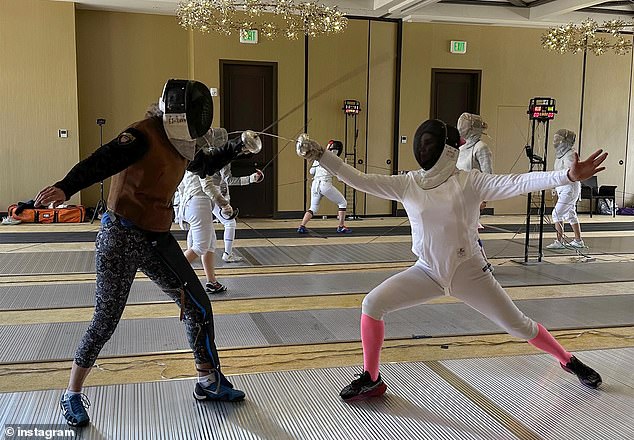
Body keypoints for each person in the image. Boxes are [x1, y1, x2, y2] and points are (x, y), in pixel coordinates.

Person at [296, 119, 606, 402]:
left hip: (470, 273)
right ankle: (372, 378)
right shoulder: (408, 183)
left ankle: (569, 361)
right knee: (372, 305)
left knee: (520, 327)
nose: (424, 149)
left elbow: (518, 181)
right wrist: (322, 155)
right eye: (421, 144)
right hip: (427, 272)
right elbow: (359, 179)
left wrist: (566, 175)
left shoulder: (469, 181)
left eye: (430, 144)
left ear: (446, 148)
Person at [35, 79, 255, 427]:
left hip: (157, 237)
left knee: (197, 304)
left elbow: (203, 166)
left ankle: (208, 381)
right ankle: (72, 393)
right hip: (120, 235)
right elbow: (102, 161)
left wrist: (238, 147)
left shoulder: (183, 143)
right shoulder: (142, 135)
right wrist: (66, 186)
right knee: (105, 320)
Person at [177, 168, 232, 293]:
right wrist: (224, 204)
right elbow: (207, 185)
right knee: (200, 246)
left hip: (198, 202)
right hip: (198, 201)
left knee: (210, 244)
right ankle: (172, 278)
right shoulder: (204, 158)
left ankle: (212, 282)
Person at [211, 164, 264, 263]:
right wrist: (250, 179)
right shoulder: (224, 158)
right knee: (230, 223)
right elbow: (227, 180)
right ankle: (227, 254)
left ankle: (190, 252)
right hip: (213, 193)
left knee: (197, 225)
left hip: (198, 193)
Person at [297, 140, 351, 234]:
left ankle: (302, 226)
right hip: (325, 185)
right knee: (342, 203)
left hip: (315, 185)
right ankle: (341, 226)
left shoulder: (319, 158)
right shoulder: (336, 161)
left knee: (313, 207)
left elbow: (311, 172)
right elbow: (339, 179)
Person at [547, 129, 585, 249]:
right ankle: (578, 240)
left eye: (558, 139)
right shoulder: (560, 155)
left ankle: (559, 241)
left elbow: (572, 173)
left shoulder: (570, 155)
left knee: (556, 214)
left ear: (566, 141)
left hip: (570, 188)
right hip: (563, 188)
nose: (555, 142)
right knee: (570, 214)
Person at [457, 112, 493, 214]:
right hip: (458, 194)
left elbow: (487, 175)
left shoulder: (481, 147)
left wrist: (484, 199)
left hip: (473, 196)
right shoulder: (460, 146)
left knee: (469, 228)